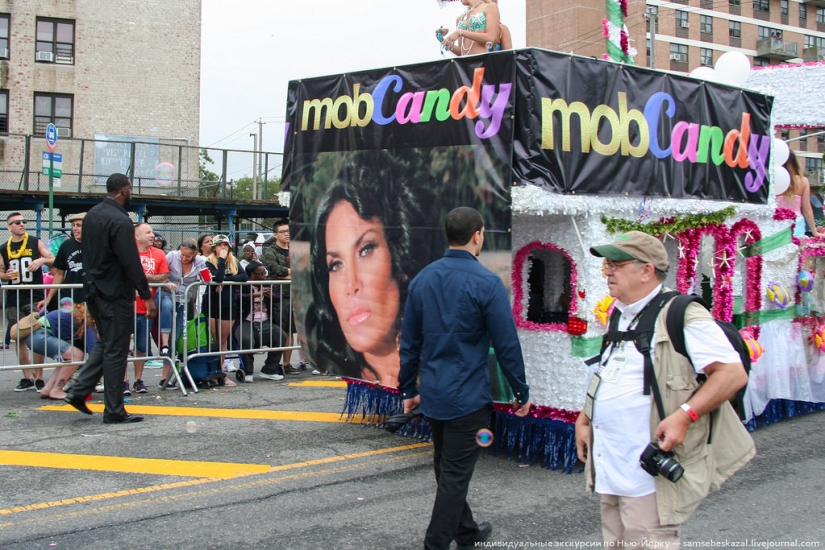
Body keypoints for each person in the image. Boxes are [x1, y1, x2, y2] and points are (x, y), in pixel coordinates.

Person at [577, 231, 755, 548]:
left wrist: (685, 416)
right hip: (612, 470)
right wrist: (586, 417)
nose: (607, 272)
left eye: (616, 264)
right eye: (607, 264)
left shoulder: (681, 313)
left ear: (646, 271)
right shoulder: (619, 313)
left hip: (648, 479)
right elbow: (610, 373)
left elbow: (731, 374)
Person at [399, 206, 531, 550]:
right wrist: (520, 389)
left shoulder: (423, 278)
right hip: (469, 397)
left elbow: (410, 342)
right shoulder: (487, 282)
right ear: (478, 235)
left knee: (446, 468)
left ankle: (467, 531)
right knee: (453, 477)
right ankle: (436, 543)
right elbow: (506, 344)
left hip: (434, 393)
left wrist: (407, 389)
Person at [307, 162, 434, 388]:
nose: (351, 284)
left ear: (400, 257)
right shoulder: (345, 367)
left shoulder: (445, 363)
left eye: (366, 249)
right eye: (335, 265)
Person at [63, 173, 157, 424]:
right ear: (124, 190)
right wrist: (146, 296)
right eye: (130, 190)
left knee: (107, 343)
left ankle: (79, 390)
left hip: (93, 289)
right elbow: (130, 261)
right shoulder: (120, 220)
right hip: (115, 292)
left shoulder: (92, 214)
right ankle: (114, 410)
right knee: (116, 351)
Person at [0, 212, 55, 392]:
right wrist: (4, 275)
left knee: (37, 336)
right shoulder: (3, 248)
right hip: (14, 297)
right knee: (19, 337)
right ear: (9, 227)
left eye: (24, 221)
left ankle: (39, 376)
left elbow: (53, 258)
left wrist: (41, 260)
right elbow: (0, 271)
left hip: (35, 296)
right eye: (18, 222)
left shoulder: (34, 241)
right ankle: (27, 377)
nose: (22, 224)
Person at [128, 222, 171, 395]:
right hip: (127, 306)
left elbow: (163, 277)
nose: (153, 235)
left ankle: (138, 380)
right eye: (148, 232)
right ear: (137, 236)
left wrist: (141, 277)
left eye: (152, 232)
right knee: (122, 347)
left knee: (141, 347)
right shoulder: (128, 253)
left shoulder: (159, 253)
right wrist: (145, 279)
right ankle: (122, 381)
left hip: (146, 307)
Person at [160, 239, 206, 388]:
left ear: (195, 255)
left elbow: (207, 279)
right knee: (167, 305)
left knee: (178, 336)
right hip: (168, 294)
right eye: (182, 254)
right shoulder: (172, 256)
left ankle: (167, 377)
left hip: (184, 300)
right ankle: (164, 342)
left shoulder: (199, 261)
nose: (184, 258)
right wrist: (166, 282)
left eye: (188, 256)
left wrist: (203, 278)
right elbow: (161, 273)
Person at [28, 304, 98, 400]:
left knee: (68, 359)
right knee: (76, 356)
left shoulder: (77, 313)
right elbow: (95, 352)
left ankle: (47, 389)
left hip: (34, 336)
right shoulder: (87, 320)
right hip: (40, 335)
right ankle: (56, 390)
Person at [203, 233, 247, 386]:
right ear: (214, 247)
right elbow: (217, 278)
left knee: (223, 341)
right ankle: (213, 372)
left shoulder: (234, 261)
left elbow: (243, 277)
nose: (223, 248)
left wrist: (226, 281)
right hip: (212, 304)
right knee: (214, 341)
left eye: (225, 245)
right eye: (220, 245)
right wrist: (221, 261)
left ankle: (220, 372)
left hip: (228, 303)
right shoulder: (209, 262)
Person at [234, 261, 288, 382]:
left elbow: (278, 296)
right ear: (253, 275)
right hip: (246, 321)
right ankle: (247, 371)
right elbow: (237, 296)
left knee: (281, 336)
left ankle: (269, 369)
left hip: (265, 321)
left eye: (265, 273)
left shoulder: (266, 284)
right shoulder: (243, 284)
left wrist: (270, 295)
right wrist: (255, 295)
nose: (265, 276)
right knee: (247, 339)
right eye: (262, 273)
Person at [261, 219, 302, 375]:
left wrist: (289, 273)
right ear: (275, 234)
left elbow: (304, 266)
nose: (287, 234)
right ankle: (273, 364)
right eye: (283, 231)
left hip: (294, 294)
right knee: (280, 330)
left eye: (288, 231)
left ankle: (287, 363)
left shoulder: (294, 249)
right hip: (278, 295)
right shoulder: (270, 250)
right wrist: (293, 272)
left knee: (291, 330)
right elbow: (276, 270)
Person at [39, 212, 86, 313]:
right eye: (73, 225)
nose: (75, 228)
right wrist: (48, 299)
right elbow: (59, 274)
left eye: (79, 225)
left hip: (91, 298)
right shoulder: (66, 245)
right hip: (70, 297)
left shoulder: (98, 246)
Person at [777, 149, 824, 238]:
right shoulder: (803, 181)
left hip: (776, 223)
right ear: (794, 162)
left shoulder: (773, 181)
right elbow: (807, 208)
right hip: (797, 224)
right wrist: (814, 232)